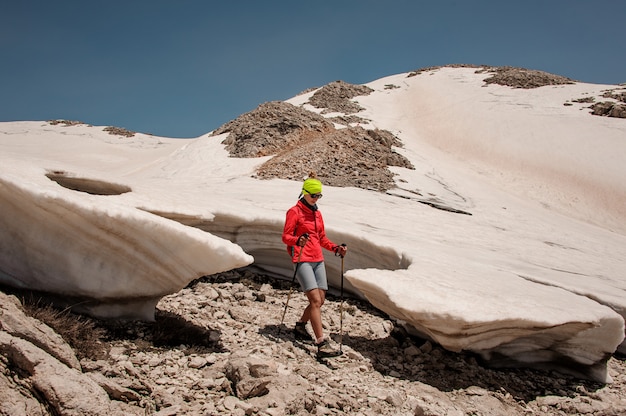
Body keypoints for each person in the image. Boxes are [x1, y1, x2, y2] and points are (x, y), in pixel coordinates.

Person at [282, 172, 348, 357]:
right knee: (315, 301)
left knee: (321, 300)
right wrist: (297, 241)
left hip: (318, 259)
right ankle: (321, 344)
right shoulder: (294, 212)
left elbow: (322, 238)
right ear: (304, 193)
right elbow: (285, 237)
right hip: (302, 259)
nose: (316, 198)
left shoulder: (317, 214)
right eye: (313, 195)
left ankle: (301, 326)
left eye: (319, 196)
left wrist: (336, 248)